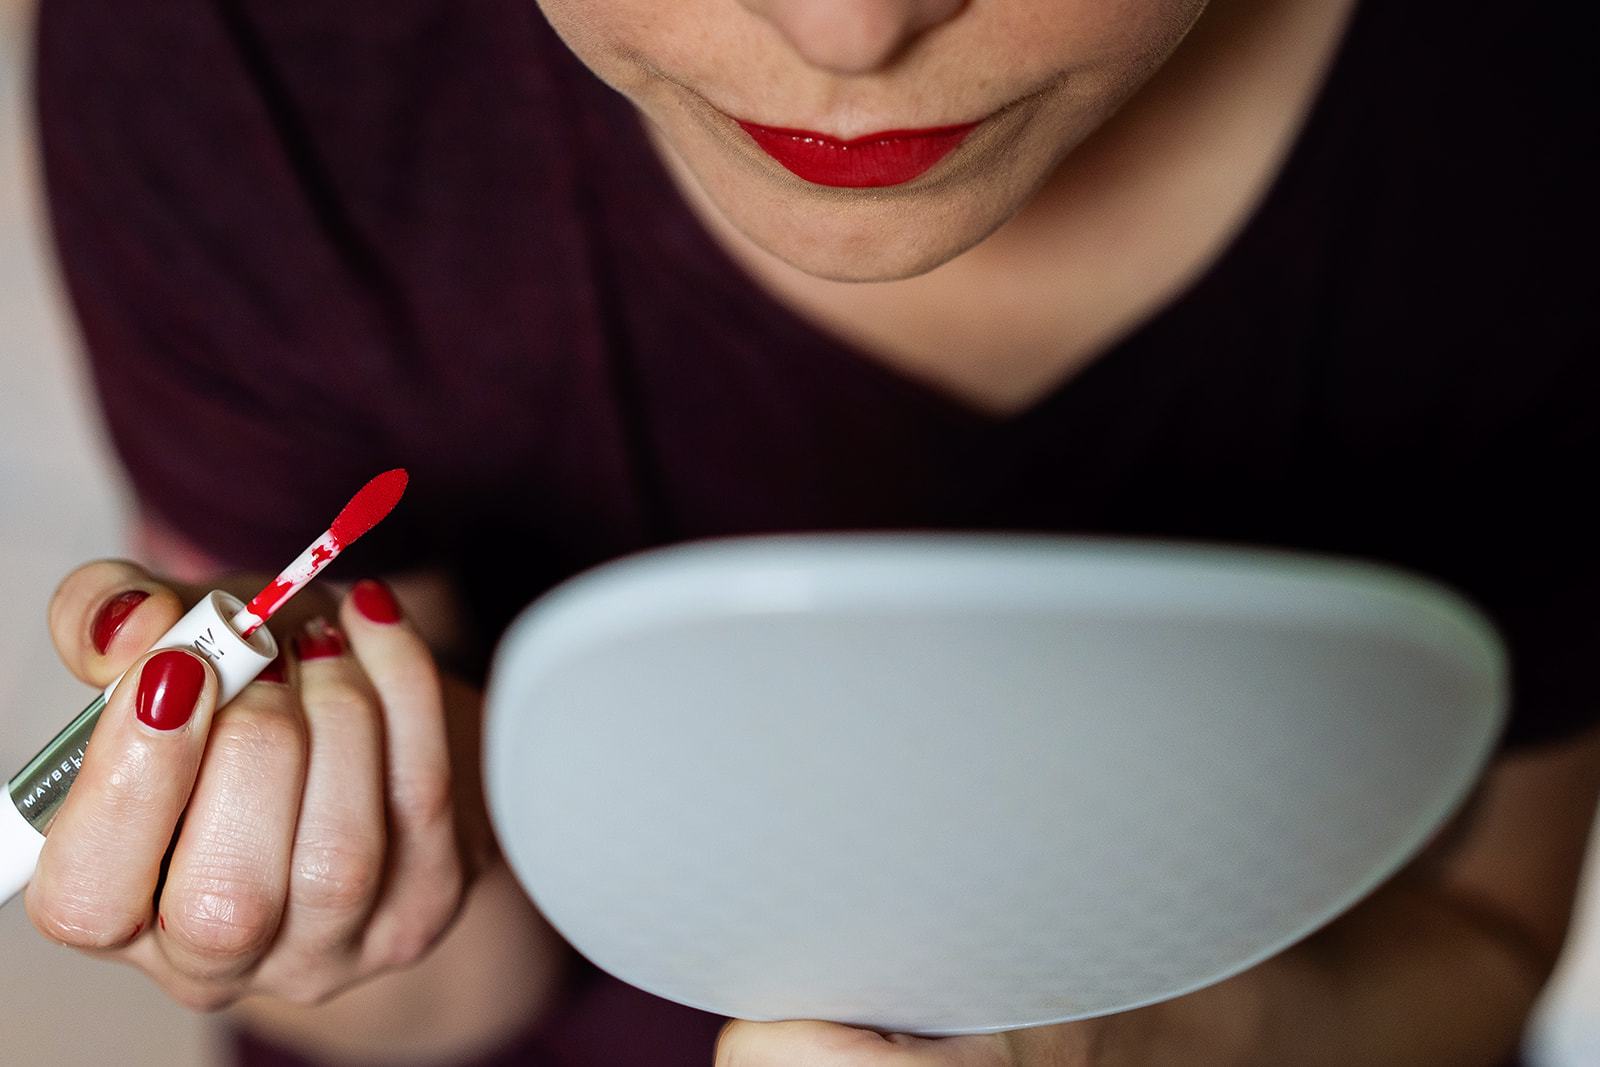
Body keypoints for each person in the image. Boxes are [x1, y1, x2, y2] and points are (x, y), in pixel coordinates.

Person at [24, 0, 1598, 1064]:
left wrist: (1115, 1044)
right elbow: (438, 997)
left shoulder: (1537, 112)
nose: (848, 32)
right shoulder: (246, 49)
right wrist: (334, 894)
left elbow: (1476, 935)